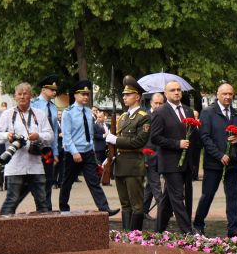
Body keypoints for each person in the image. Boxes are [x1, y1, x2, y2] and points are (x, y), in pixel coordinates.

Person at [0, 83, 53, 214]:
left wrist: (38, 136)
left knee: (43, 202)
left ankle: (46, 232)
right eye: (19, 94)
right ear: (15, 97)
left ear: (31, 96)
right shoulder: (7, 114)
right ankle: (3, 229)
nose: (22, 96)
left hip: (35, 165)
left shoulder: (39, 114)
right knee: (12, 200)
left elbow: (50, 136)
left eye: (25, 93)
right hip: (15, 165)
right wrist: (7, 135)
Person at [59, 80, 119, 215]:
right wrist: (74, 152)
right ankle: (63, 207)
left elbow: (90, 134)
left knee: (93, 181)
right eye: (82, 94)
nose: (85, 96)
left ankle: (104, 208)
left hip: (87, 152)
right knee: (67, 182)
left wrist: (91, 149)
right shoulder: (68, 112)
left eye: (87, 94)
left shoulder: (88, 112)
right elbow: (67, 136)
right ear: (75, 95)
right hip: (73, 153)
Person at [193, 83, 237, 238]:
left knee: (232, 196)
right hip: (213, 163)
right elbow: (205, 138)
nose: (228, 97)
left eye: (230, 94)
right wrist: (219, 155)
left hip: (232, 162)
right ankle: (198, 225)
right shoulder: (208, 113)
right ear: (218, 94)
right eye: (224, 94)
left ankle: (233, 230)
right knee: (207, 195)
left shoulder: (235, 114)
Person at [150, 80, 199, 234]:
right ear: (166, 94)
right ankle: (187, 231)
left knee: (167, 198)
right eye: (173, 90)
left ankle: (158, 229)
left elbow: (193, 137)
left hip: (186, 162)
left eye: (178, 90)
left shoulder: (188, 111)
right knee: (178, 196)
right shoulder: (160, 112)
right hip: (170, 162)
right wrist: (177, 144)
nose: (177, 92)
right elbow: (155, 138)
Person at [105, 76, 150, 231]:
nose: (124, 97)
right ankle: (125, 235)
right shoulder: (124, 117)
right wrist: (109, 156)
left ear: (137, 97)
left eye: (128, 94)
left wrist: (116, 140)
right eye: (123, 95)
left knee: (136, 204)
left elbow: (138, 142)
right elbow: (117, 141)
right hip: (120, 164)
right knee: (125, 204)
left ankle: (135, 236)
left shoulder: (143, 117)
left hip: (133, 165)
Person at [30, 76, 59, 207]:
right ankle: (40, 206)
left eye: (55, 90)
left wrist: (56, 152)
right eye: (51, 89)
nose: (54, 92)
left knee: (48, 179)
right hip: (34, 148)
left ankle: (47, 207)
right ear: (43, 89)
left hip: (47, 149)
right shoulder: (33, 104)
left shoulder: (53, 107)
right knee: (35, 180)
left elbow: (54, 132)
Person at [143, 93, 164, 218]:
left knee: (150, 186)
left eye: (160, 103)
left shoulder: (164, 116)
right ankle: (163, 211)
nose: (158, 105)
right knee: (156, 185)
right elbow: (143, 140)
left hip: (161, 156)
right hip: (149, 156)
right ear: (151, 103)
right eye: (156, 103)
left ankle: (143, 210)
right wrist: (144, 158)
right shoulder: (145, 117)